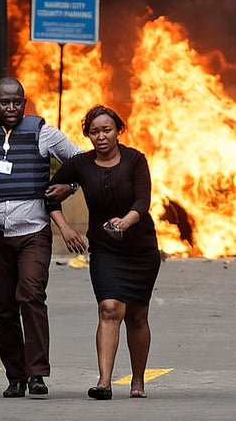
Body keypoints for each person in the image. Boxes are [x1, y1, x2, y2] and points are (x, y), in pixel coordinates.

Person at [0, 77, 82, 398]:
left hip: (34, 234)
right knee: (4, 309)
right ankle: (16, 376)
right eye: (4, 102)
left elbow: (82, 163)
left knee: (30, 296)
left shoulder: (43, 133)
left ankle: (37, 373)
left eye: (17, 102)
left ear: (24, 104)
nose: (11, 108)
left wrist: (69, 187)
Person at [46, 105, 161, 400]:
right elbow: (48, 195)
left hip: (140, 248)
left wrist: (125, 222)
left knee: (136, 315)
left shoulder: (135, 160)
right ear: (87, 135)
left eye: (106, 130)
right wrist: (66, 228)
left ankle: (137, 380)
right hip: (105, 248)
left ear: (118, 130)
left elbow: (142, 201)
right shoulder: (81, 164)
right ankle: (104, 382)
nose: (101, 137)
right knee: (109, 308)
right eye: (94, 131)